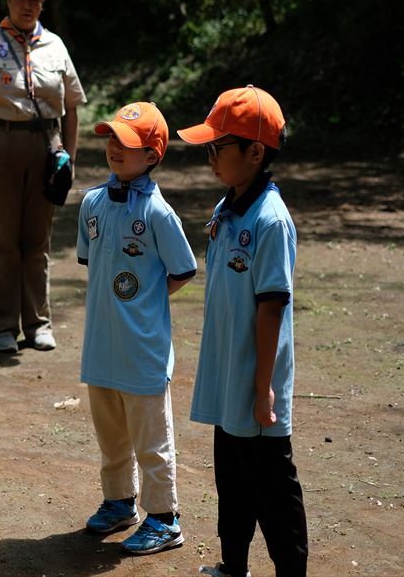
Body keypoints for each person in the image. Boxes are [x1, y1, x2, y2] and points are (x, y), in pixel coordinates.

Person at [176, 85, 308, 577]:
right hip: (229, 376)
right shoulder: (227, 208)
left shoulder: (271, 222)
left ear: (255, 152)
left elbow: (271, 309)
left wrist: (262, 390)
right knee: (231, 482)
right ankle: (233, 566)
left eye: (217, 147)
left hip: (258, 387)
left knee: (273, 489)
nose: (209, 157)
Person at [76, 101, 197, 555]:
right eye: (110, 138)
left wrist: (148, 299)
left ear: (152, 155)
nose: (113, 148)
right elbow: (91, 259)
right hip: (101, 346)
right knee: (111, 435)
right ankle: (118, 502)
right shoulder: (91, 202)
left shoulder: (159, 213)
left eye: (126, 144)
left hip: (143, 349)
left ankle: (164, 519)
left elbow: (183, 269)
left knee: (151, 439)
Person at [0, 0, 86, 353]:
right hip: (0, 145)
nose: (27, 4)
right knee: (2, 239)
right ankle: (0, 327)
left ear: (43, 3)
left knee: (37, 239)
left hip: (46, 149)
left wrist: (71, 157)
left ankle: (37, 323)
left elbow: (72, 107)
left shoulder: (57, 47)